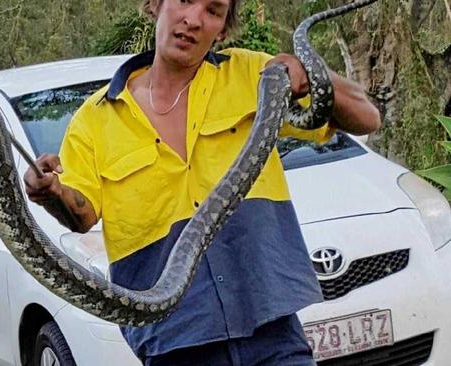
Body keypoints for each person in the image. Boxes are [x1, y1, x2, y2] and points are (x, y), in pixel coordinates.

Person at [23, 0, 381, 364]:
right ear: (153, 5)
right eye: (184, 0)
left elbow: (367, 118)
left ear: (222, 29)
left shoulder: (256, 75)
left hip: (272, 331)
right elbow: (79, 215)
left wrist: (312, 73)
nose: (193, 19)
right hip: (176, 340)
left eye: (213, 10)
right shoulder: (94, 120)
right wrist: (51, 192)